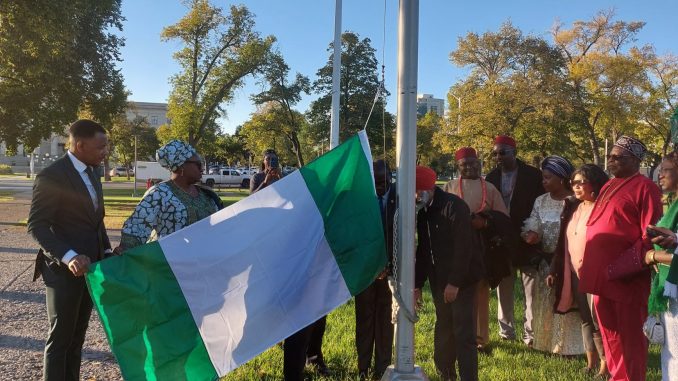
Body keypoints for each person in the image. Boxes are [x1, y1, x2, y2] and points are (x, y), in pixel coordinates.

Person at [27, 119, 113, 381]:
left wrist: (107, 253)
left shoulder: (92, 172)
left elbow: (96, 222)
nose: (105, 151)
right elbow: (37, 226)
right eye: (101, 147)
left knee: (77, 338)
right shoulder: (52, 176)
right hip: (63, 271)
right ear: (80, 145)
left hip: (90, 270)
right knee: (61, 339)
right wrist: (68, 256)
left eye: (106, 146)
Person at [581, 136, 662, 381]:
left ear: (636, 160)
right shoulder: (608, 185)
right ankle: (617, 376)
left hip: (627, 276)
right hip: (602, 277)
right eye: (611, 156)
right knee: (610, 333)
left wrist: (628, 263)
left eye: (619, 157)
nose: (612, 161)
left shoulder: (645, 187)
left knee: (630, 336)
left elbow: (651, 233)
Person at [249, 148, 324, 380]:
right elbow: (252, 205)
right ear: (263, 162)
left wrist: (283, 183)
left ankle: (312, 355)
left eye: (275, 159)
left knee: (314, 312)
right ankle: (281, 342)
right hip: (271, 250)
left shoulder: (289, 178)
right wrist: (267, 183)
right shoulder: (257, 178)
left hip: (294, 247)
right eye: (269, 159)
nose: (272, 162)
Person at [414, 166, 483, 381]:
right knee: (443, 325)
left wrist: (454, 283)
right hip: (438, 279)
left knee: (463, 331)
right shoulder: (423, 210)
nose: (415, 196)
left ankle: (468, 377)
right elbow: (424, 250)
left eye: (418, 191)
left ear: (430, 188)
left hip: (461, 279)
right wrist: (417, 284)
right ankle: (445, 373)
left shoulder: (455, 207)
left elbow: (464, 249)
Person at [443, 147, 508, 353]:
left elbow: (503, 218)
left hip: (482, 246)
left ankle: (480, 339)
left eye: (473, 163)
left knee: (480, 291)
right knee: (456, 290)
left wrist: (485, 222)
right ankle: (456, 333)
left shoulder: (489, 188)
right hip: (454, 246)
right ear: (458, 166)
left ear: (479, 164)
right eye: (464, 164)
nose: (469, 167)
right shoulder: (449, 186)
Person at [547, 164, 609, 376]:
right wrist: (554, 269)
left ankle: (605, 364)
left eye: (580, 182)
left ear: (595, 183)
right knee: (585, 318)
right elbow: (561, 243)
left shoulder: (604, 207)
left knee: (598, 319)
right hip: (574, 272)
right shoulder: (574, 206)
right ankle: (590, 362)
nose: (575, 186)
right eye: (573, 183)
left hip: (596, 274)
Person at [521, 156, 585, 355]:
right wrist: (532, 233)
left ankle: (571, 347)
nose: (544, 182)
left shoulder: (575, 201)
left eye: (548, 178)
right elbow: (533, 221)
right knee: (546, 303)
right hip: (546, 260)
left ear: (561, 178)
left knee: (568, 300)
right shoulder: (540, 201)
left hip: (570, 261)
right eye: (543, 178)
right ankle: (548, 344)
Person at [485, 135, 545, 345]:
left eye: (503, 152)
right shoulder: (491, 178)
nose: (498, 157)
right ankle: (506, 333)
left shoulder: (533, 176)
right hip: (502, 243)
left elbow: (540, 207)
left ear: (514, 152)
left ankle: (531, 335)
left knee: (531, 293)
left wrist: (532, 231)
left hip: (528, 241)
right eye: (495, 153)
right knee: (505, 290)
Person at [116, 140, 223, 251]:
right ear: (181, 166)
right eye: (198, 164)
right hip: (169, 264)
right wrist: (125, 251)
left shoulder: (207, 194)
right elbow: (136, 228)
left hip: (203, 261)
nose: (202, 169)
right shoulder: (159, 194)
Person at [355, 160, 395, 380]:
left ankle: (382, 367)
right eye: (375, 182)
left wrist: (387, 264)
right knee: (364, 319)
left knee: (385, 321)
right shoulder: (362, 200)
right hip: (366, 273)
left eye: (383, 182)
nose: (379, 187)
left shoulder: (401, 197)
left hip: (390, 272)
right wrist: (372, 265)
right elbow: (357, 237)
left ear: (391, 178)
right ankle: (363, 367)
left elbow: (405, 234)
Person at [644, 151, 678, 381]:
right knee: (670, 353)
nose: (659, 175)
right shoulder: (673, 203)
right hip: (668, 289)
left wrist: (652, 257)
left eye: (665, 169)